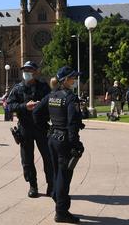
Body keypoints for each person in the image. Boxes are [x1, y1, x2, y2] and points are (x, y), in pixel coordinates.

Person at [33, 67, 84, 224]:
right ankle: (61, 211)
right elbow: (72, 123)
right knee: (64, 175)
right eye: (72, 78)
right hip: (64, 142)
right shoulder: (70, 98)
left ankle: (57, 197)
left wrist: (46, 128)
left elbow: (36, 112)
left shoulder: (51, 95)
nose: (74, 80)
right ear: (64, 80)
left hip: (52, 138)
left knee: (56, 172)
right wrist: (76, 144)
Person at [7, 61, 53, 198]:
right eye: (25, 70)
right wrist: (24, 107)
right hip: (25, 127)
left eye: (29, 70)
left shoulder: (44, 87)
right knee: (27, 159)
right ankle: (33, 185)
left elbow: (52, 103)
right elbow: (9, 106)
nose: (26, 72)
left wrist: (41, 106)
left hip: (41, 127)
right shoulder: (17, 88)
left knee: (48, 157)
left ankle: (51, 185)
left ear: (36, 72)